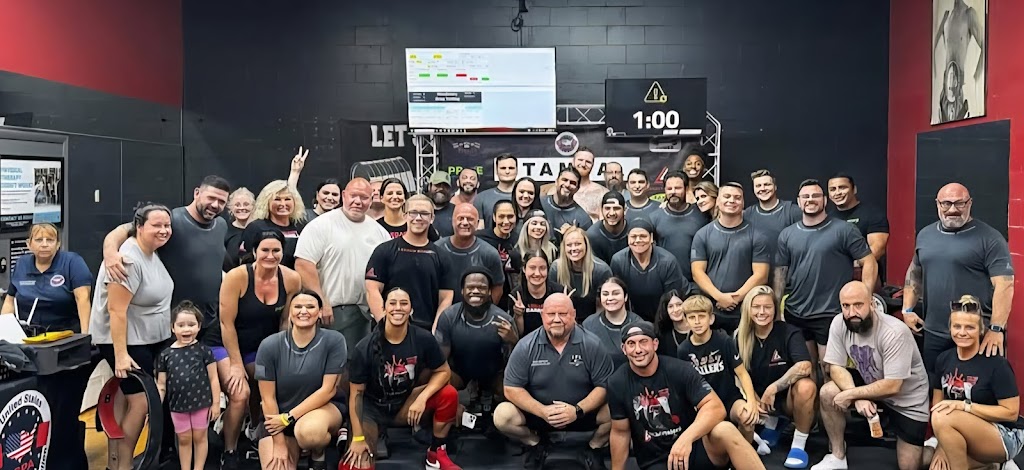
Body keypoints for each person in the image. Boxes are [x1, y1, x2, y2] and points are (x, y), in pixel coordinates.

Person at [608, 321, 767, 470]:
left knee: (725, 429)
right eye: (631, 344)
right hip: (657, 460)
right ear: (624, 349)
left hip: (694, 447)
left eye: (643, 342)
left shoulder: (679, 370)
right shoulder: (617, 382)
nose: (638, 350)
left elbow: (716, 408)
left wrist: (686, 439)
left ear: (655, 344)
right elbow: (620, 432)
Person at [91, 203, 175, 470]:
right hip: (126, 341)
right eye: (156, 225)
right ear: (139, 227)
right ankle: (124, 465)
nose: (164, 230)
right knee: (140, 402)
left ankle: (114, 464)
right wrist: (121, 355)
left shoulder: (150, 251)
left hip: (147, 338)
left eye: (167, 225)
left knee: (127, 399)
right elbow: (116, 310)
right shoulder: (127, 258)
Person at [813, 281, 929, 470]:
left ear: (872, 304)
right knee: (828, 392)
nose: (851, 312)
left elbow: (893, 385)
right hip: (871, 381)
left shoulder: (894, 332)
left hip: (907, 399)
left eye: (858, 305)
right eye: (846, 306)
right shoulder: (839, 323)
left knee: (910, 466)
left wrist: (852, 394)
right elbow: (835, 367)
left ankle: (934, 447)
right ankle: (838, 456)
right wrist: (857, 396)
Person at [103, 176, 230, 344]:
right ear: (197, 193)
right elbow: (125, 229)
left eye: (221, 201)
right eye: (211, 198)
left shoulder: (221, 225)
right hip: (175, 325)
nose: (215, 205)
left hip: (209, 322)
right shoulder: (172, 220)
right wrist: (110, 252)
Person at [345, 287, 462, 470]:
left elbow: (443, 371)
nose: (398, 308)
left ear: (411, 309)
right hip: (371, 410)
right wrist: (358, 438)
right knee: (357, 464)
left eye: (404, 303)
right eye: (392, 303)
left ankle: (436, 453)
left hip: (404, 404)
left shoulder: (423, 338)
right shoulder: (364, 347)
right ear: (384, 309)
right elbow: (356, 396)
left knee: (448, 394)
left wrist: (422, 398)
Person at [213, 229, 302, 468]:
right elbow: (226, 324)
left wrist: (284, 358)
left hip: (260, 346)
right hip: (223, 343)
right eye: (265, 250)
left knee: (269, 381)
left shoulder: (292, 279)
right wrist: (235, 364)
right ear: (254, 252)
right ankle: (229, 450)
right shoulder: (237, 277)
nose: (270, 256)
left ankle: (255, 431)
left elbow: (285, 323)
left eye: (276, 250)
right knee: (240, 392)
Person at [902, 183, 1014, 372]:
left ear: (969, 203)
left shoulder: (990, 238)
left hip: (974, 333)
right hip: (933, 333)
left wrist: (996, 329)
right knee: (935, 385)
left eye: (959, 203)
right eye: (946, 203)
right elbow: (915, 273)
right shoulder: (925, 235)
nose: (952, 209)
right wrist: (907, 310)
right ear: (937, 204)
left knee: (975, 387)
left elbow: (1005, 285)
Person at [495, 294, 614, 470]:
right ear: (543, 316)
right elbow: (511, 388)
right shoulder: (525, 346)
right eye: (551, 314)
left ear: (574, 315)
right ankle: (535, 443)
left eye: (563, 314)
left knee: (620, 409)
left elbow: (604, 386)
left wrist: (577, 410)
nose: (557, 319)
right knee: (502, 416)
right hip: (539, 415)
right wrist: (542, 411)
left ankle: (594, 448)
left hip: (583, 412)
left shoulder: (592, 344)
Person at [773, 179, 876, 373]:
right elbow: (780, 273)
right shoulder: (787, 235)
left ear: (825, 200)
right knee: (805, 370)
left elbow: (869, 261)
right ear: (799, 201)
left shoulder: (844, 230)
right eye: (805, 196)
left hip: (830, 313)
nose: (810, 199)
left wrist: (866, 297)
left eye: (816, 196)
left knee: (830, 371)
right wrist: (777, 309)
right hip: (796, 312)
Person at [295, 177, 390, 354]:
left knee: (357, 365)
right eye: (353, 196)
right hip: (329, 312)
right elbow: (303, 265)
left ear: (371, 200)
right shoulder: (320, 225)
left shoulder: (380, 232)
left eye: (364, 197)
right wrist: (321, 301)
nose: (358, 201)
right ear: (344, 196)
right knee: (329, 363)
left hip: (365, 313)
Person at [928, 294, 1024, 470]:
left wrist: (965, 406)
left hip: (1004, 434)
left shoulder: (996, 364)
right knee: (935, 465)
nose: (962, 332)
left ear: (981, 330)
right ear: (950, 328)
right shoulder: (943, 359)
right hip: (960, 429)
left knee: (943, 416)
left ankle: (998, 460)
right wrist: (942, 447)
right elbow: (937, 405)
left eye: (970, 327)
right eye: (957, 326)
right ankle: (993, 465)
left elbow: (1011, 413)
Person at [254, 290, 346, 470]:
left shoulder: (334, 340)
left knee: (311, 434)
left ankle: (317, 453)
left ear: (320, 312)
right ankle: (293, 445)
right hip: (277, 419)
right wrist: (279, 442)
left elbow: (328, 390)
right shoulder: (269, 345)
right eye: (298, 307)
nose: (303, 311)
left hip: (320, 410)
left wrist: (289, 417)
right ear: (290, 312)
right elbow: (267, 398)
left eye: (310, 307)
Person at [735, 286, 816, 467]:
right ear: (748, 308)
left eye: (767, 307)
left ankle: (799, 445)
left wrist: (774, 388)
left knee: (806, 387)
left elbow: (805, 366)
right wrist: (752, 399)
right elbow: (737, 376)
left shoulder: (789, 332)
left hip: (787, 401)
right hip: (760, 403)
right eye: (756, 307)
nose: (762, 312)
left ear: (775, 309)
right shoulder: (739, 336)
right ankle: (772, 423)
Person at [676, 295, 760, 444]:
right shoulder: (683, 350)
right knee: (716, 434)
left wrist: (751, 401)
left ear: (711, 319)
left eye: (701, 316)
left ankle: (745, 453)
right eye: (692, 317)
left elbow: (741, 373)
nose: (697, 322)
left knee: (747, 418)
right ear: (686, 321)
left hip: (730, 398)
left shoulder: (723, 341)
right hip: (705, 404)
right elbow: (684, 386)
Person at [434, 269, 519, 414]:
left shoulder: (503, 320)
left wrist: (513, 340)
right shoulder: (448, 317)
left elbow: (515, 364)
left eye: (481, 287)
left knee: (514, 387)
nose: (475, 291)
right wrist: (452, 398)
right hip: (459, 374)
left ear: (489, 291)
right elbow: (439, 361)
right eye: (470, 287)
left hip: (494, 375)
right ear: (462, 290)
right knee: (436, 378)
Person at [690, 182, 770, 335]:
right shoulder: (702, 235)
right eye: (727, 196)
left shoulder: (758, 236)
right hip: (711, 311)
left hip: (745, 311)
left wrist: (735, 298)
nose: (732, 201)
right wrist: (719, 297)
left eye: (737, 198)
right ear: (717, 201)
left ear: (743, 203)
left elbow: (761, 275)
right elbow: (697, 273)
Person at [366, 194, 452, 330]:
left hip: (426, 330)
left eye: (424, 213)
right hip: (388, 330)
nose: (418, 218)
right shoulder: (384, 251)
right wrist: (385, 326)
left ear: (432, 218)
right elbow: (372, 290)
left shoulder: (441, 256)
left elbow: (446, 297)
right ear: (405, 216)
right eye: (413, 213)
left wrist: (436, 330)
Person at [155, 302, 221, 470]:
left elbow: (214, 378)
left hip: (201, 404)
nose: (186, 329)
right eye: (181, 325)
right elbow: (161, 385)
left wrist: (215, 404)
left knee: (200, 437)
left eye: (191, 325)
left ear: (199, 326)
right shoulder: (165, 355)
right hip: (178, 407)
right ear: (172, 327)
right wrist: (154, 407)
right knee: (184, 439)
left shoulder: (204, 351)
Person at [2, 223, 92, 333]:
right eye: (39, 240)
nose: (44, 244)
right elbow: (10, 301)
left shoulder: (72, 262)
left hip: (65, 334)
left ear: (58, 244)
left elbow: (83, 299)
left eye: (50, 240)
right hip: (27, 333)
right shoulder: (22, 263)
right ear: (29, 244)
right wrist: (3, 332)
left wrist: (85, 335)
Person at [611, 220, 689, 321]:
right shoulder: (618, 261)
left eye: (643, 236)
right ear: (628, 238)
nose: (638, 240)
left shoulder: (668, 261)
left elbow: (672, 297)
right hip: (631, 318)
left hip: (663, 317)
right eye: (633, 236)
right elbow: (619, 295)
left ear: (651, 238)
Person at [434, 203, 505, 310]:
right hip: (440, 313)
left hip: (476, 314)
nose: (465, 222)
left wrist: (485, 312)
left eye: (470, 219)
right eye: (460, 218)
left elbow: (497, 287)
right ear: (452, 221)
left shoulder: (489, 253)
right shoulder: (437, 249)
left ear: (477, 223)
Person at [827, 173, 889, 284]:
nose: (837, 193)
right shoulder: (827, 219)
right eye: (832, 189)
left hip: (863, 277)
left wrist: (851, 264)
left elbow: (878, 249)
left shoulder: (872, 214)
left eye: (842, 187)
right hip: (834, 279)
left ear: (854, 189)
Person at [649, 171, 709, 282]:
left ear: (686, 189)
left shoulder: (701, 214)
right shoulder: (654, 217)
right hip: (665, 281)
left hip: (695, 281)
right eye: (669, 188)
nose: (673, 192)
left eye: (677, 188)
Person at [932, 0, 984, 123]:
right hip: (945, 92)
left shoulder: (969, 14)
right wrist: (936, 77)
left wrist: (975, 78)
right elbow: (932, 48)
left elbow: (985, 46)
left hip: (961, 91)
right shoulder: (946, 16)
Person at [550, 226, 613, 321]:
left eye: (578, 244)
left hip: (593, 320)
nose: (573, 248)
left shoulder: (601, 270)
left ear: (586, 245)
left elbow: (603, 307)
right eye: (569, 245)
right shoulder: (556, 268)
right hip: (564, 318)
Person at [240, 180, 305, 269]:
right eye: (277, 199)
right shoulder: (255, 228)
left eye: (287, 199)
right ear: (267, 202)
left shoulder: (301, 227)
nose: (283, 204)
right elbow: (245, 261)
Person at [581, 277, 641, 368]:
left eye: (616, 293)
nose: (610, 298)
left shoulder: (638, 324)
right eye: (605, 294)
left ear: (625, 297)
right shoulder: (589, 325)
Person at [743, 169, 802, 261]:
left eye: (767, 184)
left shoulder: (793, 211)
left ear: (775, 187)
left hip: (787, 267)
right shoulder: (747, 214)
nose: (763, 188)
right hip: (757, 268)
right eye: (758, 186)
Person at [477, 200, 523, 311]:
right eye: (501, 216)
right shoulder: (480, 239)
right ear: (494, 217)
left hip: (511, 300)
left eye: (510, 216)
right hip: (485, 296)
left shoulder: (519, 240)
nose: (506, 221)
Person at [510, 250, 565, 336]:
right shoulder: (516, 295)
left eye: (542, 268)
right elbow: (518, 335)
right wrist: (518, 315)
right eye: (532, 268)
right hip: (527, 341)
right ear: (524, 269)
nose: (537, 273)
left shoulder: (559, 292)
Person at [541, 167, 594, 240]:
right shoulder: (540, 203)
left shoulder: (583, 218)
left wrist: (571, 234)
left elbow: (586, 244)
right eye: (564, 180)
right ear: (556, 182)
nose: (567, 184)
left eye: (573, 183)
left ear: (577, 188)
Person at [475, 153, 518, 229]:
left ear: (517, 170)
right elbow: (479, 230)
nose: (507, 171)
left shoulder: (526, 198)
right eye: (503, 168)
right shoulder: (481, 198)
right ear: (496, 171)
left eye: (511, 168)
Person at [586, 191, 630, 264]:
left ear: (625, 210)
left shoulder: (633, 231)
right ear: (601, 210)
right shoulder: (592, 236)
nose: (612, 213)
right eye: (607, 208)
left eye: (616, 208)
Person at [569, 148, 608, 222]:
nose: (583, 164)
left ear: (592, 165)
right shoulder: (561, 190)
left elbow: (604, 224)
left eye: (588, 162)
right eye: (580, 160)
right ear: (573, 162)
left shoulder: (602, 193)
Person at [223, 187, 255, 270]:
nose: (241, 208)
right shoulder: (224, 231)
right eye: (237, 205)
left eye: (246, 204)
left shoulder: (260, 229)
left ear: (253, 206)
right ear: (230, 208)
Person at [653, 290, 690, 356]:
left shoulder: (698, 329)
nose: (675, 310)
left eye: (679, 305)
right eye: (670, 306)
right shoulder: (663, 336)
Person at [426, 171, 456, 239]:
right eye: (437, 184)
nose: (441, 188)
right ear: (429, 186)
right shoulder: (420, 210)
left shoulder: (456, 212)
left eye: (445, 186)